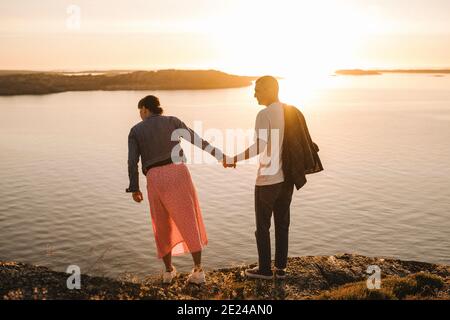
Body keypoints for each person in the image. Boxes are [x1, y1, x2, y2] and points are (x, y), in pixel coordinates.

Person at [126, 95, 230, 285]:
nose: (140, 115)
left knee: (161, 223)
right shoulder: (172, 121)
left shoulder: (135, 130)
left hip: (155, 178)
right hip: (178, 173)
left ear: (144, 110)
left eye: (140, 111)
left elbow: (133, 161)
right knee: (188, 219)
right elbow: (196, 140)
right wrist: (220, 156)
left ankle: (168, 272)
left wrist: (134, 187)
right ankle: (198, 271)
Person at [227, 76, 323, 280]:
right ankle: (280, 269)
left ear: (270, 89)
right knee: (282, 223)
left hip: (267, 180)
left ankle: (264, 270)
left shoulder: (264, 114)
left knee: (262, 226)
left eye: (258, 89)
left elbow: (259, 147)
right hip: (287, 178)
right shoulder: (291, 111)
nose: (254, 94)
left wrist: (235, 158)